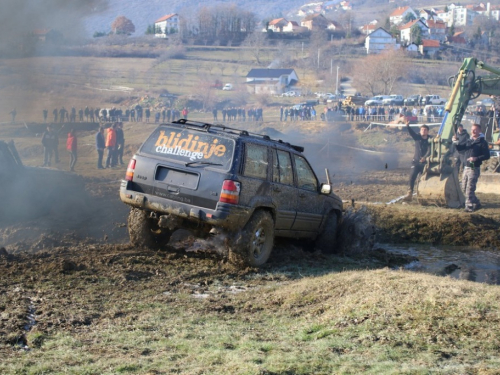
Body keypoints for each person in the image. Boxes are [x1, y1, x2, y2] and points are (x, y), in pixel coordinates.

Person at [454, 123, 490, 212]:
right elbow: (461, 149)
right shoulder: (468, 141)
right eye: (472, 129)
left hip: (474, 168)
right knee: (464, 187)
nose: (473, 131)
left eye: (475, 129)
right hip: (466, 167)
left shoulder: (482, 142)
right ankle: (476, 202)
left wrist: (476, 158)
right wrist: (456, 142)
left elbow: (487, 155)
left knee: (470, 188)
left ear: (479, 131)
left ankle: (469, 207)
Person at [404, 120, 431, 201]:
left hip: (425, 163)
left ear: (427, 131)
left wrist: (425, 157)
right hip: (416, 162)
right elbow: (411, 133)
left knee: (424, 179)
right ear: (420, 131)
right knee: (412, 177)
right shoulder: (417, 137)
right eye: (422, 129)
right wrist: (408, 126)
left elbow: (430, 150)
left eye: (425, 130)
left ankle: (423, 194)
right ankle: (409, 193)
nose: (423, 131)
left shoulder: (430, 140)